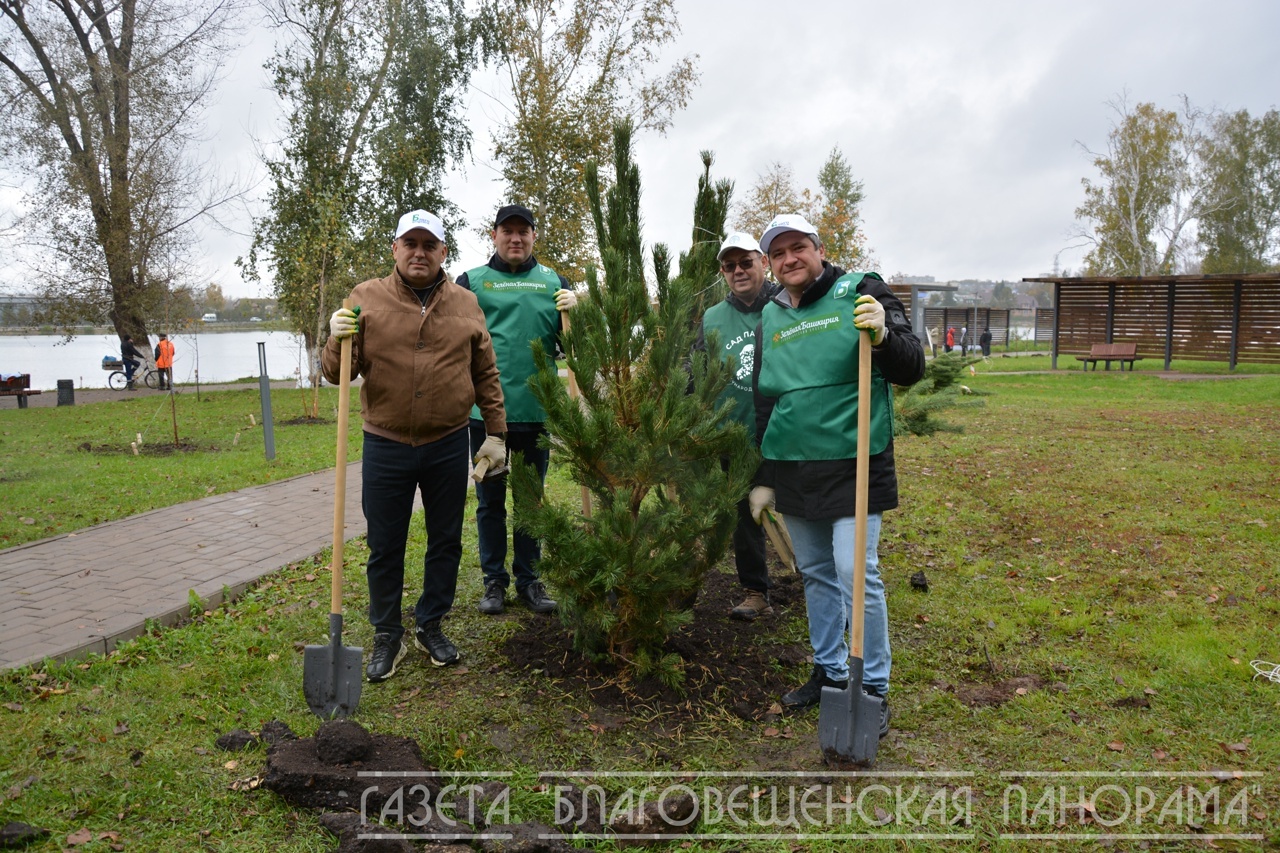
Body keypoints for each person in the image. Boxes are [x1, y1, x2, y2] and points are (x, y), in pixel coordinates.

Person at [749, 214, 924, 737]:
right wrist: (763, 474)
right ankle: (828, 671)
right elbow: (765, 401)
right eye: (777, 255)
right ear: (770, 265)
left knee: (855, 572)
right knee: (817, 574)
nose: (788, 260)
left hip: (855, 463)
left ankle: (872, 686)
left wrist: (885, 333)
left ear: (819, 249)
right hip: (794, 467)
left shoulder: (862, 290)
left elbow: (911, 367)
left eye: (797, 248)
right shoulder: (771, 316)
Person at [322, 209, 507, 684]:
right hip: (385, 443)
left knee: (445, 540)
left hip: (448, 441)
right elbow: (336, 371)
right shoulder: (365, 298)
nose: (420, 252)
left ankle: (431, 624)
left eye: (430, 245)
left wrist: (495, 432)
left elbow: (485, 372)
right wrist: (333, 339)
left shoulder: (466, 304)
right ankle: (388, 632)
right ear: (395, 249)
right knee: (386, 544)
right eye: (411, 243)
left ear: (444, 252)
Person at [455, 204, 577, 616]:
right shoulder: (471, 283)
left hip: (535, 413)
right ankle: (494, 582)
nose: (515, 239)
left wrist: (579, 313)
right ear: (494, 235)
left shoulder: (553, 283)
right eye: (507, 231)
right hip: (487, 418)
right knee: (490, 502)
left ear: (533, 237)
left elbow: (573, 347)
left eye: (523, 232)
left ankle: (529, 580)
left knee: (530, 501)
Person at [692, 231, 780, 620]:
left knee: (802, 512)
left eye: (746, 262)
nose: (738, 271)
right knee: (745, 517)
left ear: (763, 261)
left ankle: (825, 586)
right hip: (736, 435)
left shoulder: (785, 304)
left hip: (786, 431)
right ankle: (755, 591)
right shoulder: (713, 317)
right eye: (730, 266)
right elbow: (697, 371)